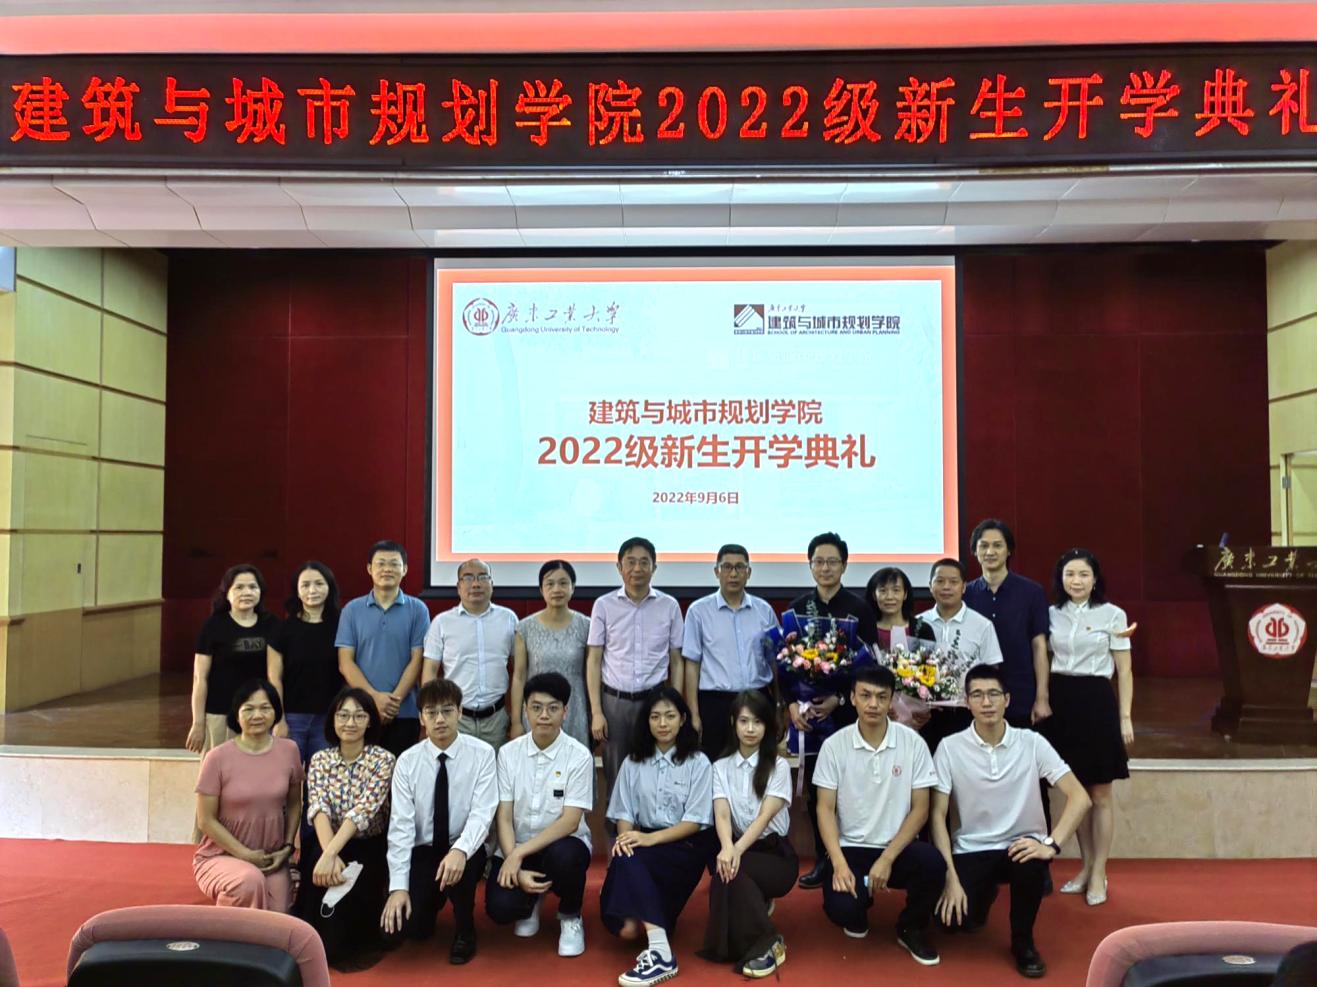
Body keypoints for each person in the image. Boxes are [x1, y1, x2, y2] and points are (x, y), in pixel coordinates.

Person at [931, 664, 1091, 978]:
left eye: (993, 694)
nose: (986, 702)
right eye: (977, 695)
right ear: (967, 702)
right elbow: (937, 815)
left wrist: (1051, 844)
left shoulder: (1032, 742)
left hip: (1021, 845)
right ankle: (983, 894)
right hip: (972, 848)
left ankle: (1023, 942)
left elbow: (1080, 797)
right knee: (948, 924)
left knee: (1030, 861)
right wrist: (951, 877)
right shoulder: (950, 748)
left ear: (1007, 699)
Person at [814, 665, 946, 967]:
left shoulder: (913, 743)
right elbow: (824, 808)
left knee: (932, 864)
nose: (873, 704)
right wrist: (838, 863)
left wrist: (887, 858)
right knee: (843, 909)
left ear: (891, 700)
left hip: (898, 848)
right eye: (865, 696)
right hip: (851, 848)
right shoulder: (834, 746)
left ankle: (910, 927)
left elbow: (921, 808)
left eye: (881, 697)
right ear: (852, 698)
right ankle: (859, 905)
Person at [600, 687, 716, 987]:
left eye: (670, 716)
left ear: (683, 719)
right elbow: (624, 813)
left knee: (631, 864)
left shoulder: (698, 762)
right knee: (622, 928)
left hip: (683, 847)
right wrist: (627, 841)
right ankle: (654, 927)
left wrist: (646, 841)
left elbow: (695, 821)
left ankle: (661, 953)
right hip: (642, 842)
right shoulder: (633, 762)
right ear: (647, 721)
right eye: (655, 717)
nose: (662, 723)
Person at [1040, 548, 1135, 908]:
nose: (1076, 581)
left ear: (1095, 579)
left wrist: (1125, 716)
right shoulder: (1051, 614)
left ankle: (1099, 871)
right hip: (1062, 701)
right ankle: (1084, 867)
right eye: (1070, 574)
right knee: (1075, 793)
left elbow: (1124, 669)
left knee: (1101, 795)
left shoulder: (1113, 614)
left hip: (1097, 701)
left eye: (1083, 574)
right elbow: (1044, 658)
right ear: (1060, 579)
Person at [381, 678, 497, 965]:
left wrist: (460, 850)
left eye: (447, 711)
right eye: (431, 713)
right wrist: (398, 887)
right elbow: (401, 827)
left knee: (463, 867)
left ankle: (465, 929)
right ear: (421, 718)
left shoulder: (482, 754)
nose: (440, 719)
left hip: (464, 845)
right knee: (409, 930)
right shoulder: (407, 761)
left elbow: (482, 814)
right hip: (425, 849)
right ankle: (430, 903)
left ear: (460, 712)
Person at [785, 531, 877, 890]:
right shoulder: (797, 608)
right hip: (808, 717)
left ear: (844, 565)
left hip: (846, 713)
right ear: (810, 566)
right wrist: (792, 703)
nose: (825, 568)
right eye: (819, 561)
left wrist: (840, 697)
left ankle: (853, 857)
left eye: (832, 561)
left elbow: (869, 664)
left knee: (850, 788)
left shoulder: (860, 609)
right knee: (815, 788)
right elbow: (785, 662)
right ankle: (825, 859)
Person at [485, 672, 593, 958]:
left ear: (565, 711)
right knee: (500, 909)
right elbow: (504, 817)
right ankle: (531, 900)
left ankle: (570, 915)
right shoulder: (508, 754)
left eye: (552, 708)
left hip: (561, 845)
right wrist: (513, 859)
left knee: (566, 858)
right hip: (517, 845)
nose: (544, 715)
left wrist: (517, 856)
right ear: (525, 710)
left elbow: (570, 821)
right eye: (536, 707)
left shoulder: (579, 755)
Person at [697, 689, 795, 978]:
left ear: (767, 726)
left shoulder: (778, 766)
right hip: (741, 848)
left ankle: (769, 942)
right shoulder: (720, 767)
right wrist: (727, 848)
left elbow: (765, 817)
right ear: (733, 723)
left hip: (775, 854)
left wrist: (735, 851)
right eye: (744, 721)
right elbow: (722, 814)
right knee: (725, 873)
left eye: (757, 722)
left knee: (731, 871)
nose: (750, 729)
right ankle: (749, 941)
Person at [297, 687, 396, 971]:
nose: (350, 723)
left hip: (366, 846)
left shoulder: (383, 760)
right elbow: (318, 808)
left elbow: (363, 812)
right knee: (313, 920)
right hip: (326, 840)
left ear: (370, 721)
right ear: (332, 720)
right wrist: (327, 854)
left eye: (358, 716)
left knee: (340, 940)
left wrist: (330, 855)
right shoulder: (320, 759)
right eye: (343, 715)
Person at [587, 536, 685, 807]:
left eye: (644, 562)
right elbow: (594, 660)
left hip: (655, 702)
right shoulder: (604, 605)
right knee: (616, 775)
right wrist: (596, 711)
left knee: (656, 774)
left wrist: (674, 704)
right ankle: (617, 828)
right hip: (615, 703)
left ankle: (653, 826)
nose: (637, 568)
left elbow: (676, 660)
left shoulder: (669, 606)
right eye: (630, 562)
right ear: (619, 567)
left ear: (654, 567)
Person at [193, 679, 303, 912]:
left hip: (271, 858)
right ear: (236, 713)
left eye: (265, 708)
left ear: (276, 712)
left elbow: (295, 804)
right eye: (249, 709)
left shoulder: (289, 750)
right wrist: (244, 854)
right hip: (221, 856)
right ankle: (223, 934)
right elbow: (205, 820)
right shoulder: (217, 758)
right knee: (248, 882)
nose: (257, 715)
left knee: (278, 919)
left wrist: (287, 848)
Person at [681, 544, 779, 759]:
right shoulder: (698, 612)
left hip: (758, 699)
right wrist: (693, 714)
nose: (733, 574)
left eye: (739, 567)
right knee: (716, 765)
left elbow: (774, 661)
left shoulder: (764, 611)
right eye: (727, 567)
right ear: (716, 571)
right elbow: (692, 665)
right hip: (715, 705)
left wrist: (779, 705)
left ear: (749, 572)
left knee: (761, 766)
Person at [337, 540, 431, 757]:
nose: (387, 569)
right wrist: (373, 698)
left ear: (405, 569)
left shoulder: (418, 610)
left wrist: (393, 702)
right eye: (381, 563)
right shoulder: (352, 610)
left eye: (394, 564)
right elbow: (345, 662)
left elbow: (417, 660)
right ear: (369, 568)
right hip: (360, 712)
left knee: (402, 774)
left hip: (404, 711)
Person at [422, 558, 517, 750]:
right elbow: (430, 671)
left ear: (491, 584)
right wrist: (428, 712)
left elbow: (519, 670)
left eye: (482, 577)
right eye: (468, 578)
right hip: (455, 717)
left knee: (495, 767)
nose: (475, 584)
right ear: (458, 587)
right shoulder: (442, 622)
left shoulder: (508, 619)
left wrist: (515, 718)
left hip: (496, 718)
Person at [964, 520, 1051, 730]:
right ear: (975, 551)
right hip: (976, 696)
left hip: (1021, 693)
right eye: (984, 546)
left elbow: (1039, 647)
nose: (990, 552)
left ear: (1009, 550)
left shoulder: (1032, 592)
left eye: (997, 545)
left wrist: (1042, 698)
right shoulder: (966, 594)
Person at [186, 564, 279, 756]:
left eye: (253, 587)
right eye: (239, 587)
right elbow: (200, 678)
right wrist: (198, 722)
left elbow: (275, 675)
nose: (247, 592)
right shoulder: (213, 626)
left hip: (259, 713)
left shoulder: (271, 624)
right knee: (219, 768)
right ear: (226, 593)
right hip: (220, 713)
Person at [916, 558, 1005, 753]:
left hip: (966, 713)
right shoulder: (918, 623)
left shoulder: (982, 625)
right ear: (930, 586)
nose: (946, 587)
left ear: (964, 587)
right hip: (925, 715)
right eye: (940, 581)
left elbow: (992, 671)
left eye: (953, 582)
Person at [509, 560, 592, 748]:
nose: (557, 589)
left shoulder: (586, 626)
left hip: (574, 710)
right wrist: (516, 722)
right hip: (537, 711)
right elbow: (519, 676)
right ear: (541, 589)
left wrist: (594, 714)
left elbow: (592, 674)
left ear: (573, 587)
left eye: (563, 583)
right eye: (550, 584)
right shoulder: (525, 628)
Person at [268, 561, 343, 764]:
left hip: (329, 717)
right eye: (305, 585)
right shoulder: (282, 630)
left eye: (319, 583)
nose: (312, 590)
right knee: (286, 775)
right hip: (292, 717)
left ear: (329, 587)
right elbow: (274, 678)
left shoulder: (342, 626)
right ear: (297, 591)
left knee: (322, 778)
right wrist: (279, 719)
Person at [865, 566, 937, 653]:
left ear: (905, 594)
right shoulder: (865, 629)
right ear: (874, 595)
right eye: (883, 591)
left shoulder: (923, 630)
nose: (889, 597)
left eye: (896, 590)